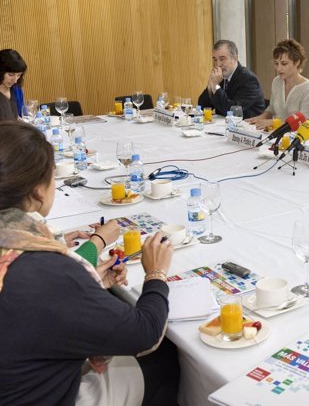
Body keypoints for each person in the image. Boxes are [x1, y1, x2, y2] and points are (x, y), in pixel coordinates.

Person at [0, 121, 178, 405]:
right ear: (38, 192)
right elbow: (146, 334)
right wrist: (156, 272)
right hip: (43, 396)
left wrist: (88, 282)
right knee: (165, 356)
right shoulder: (44, 268)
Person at [246, 39, 309, 131]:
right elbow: (271, 109)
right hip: (273, 133)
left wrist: (272, 123)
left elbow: (304, 123)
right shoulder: (277, 81)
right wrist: (260, 118)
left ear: (297, 62)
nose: (279, 68)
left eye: (284, 63)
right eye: (276, 63)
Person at [198, 40, 265, 119]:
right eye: (215, 60)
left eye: (222, 59)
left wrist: (215, 86)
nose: (218, 64)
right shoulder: (221, 76)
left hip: (248, 127)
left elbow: (231, 111)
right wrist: (211, 84)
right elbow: (202, 106)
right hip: (225, 126)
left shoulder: (248, 79)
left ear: (234, 59)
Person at [0, 49, 27, 120]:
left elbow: (19, 116)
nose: (15, 81)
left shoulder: (16, 88)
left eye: (19, 75)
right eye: (11, 75)